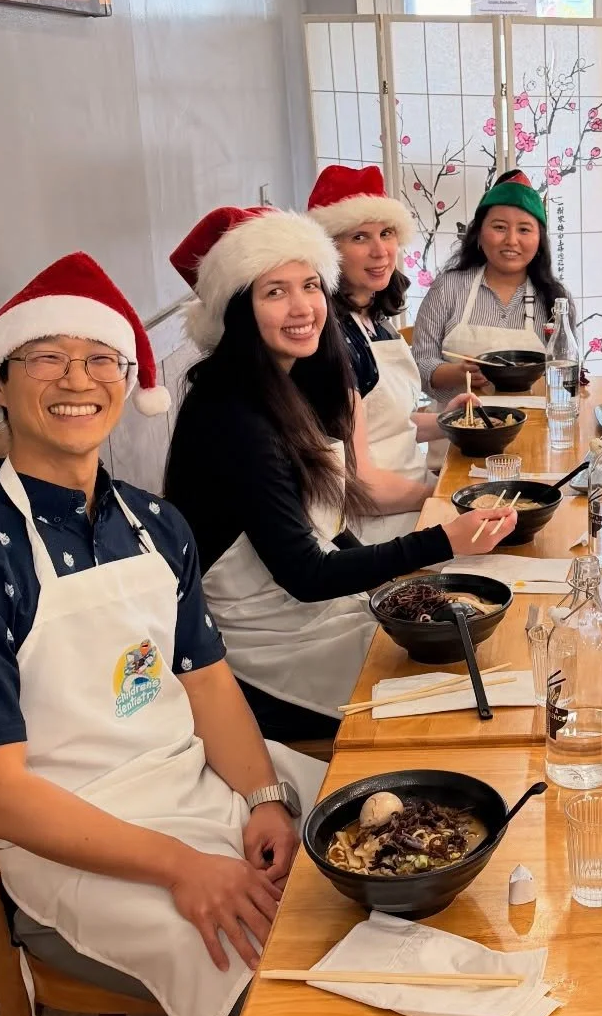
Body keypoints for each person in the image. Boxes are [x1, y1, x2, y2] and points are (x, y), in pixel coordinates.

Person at [0, 253, 327, 1016]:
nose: (76, 379)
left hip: (192, 777)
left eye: (99, 359)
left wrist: (262, 795)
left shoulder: (155, 523)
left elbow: (210, 686)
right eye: (47, 356)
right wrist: (180, 866)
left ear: (127, 381)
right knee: (287, 997)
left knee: (367, 834)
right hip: (77, 842)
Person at [164, 207, 515, 742]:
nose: (303, 306)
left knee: (485, 650)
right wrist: (439, 539)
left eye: (309, 285)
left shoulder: (295, 382)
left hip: (318, 614)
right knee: (462, 703)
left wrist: (405, 582)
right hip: (266, 648)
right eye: (274, 292)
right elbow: (305, 575)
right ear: (237, 310)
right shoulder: (228, 413)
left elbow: (327, 528)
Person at [308, 164, 441, 543]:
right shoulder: (331, 339)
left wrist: (446, 421)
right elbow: (358, 486)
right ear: (328, 250)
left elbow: (387, 422)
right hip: (376, 528)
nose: (380, 250)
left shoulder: (372, 317)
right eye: (359, 237)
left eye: (386, 233)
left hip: (409, 492)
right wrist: (440, 498)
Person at [411, 170, 569, 411]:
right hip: (457, 433)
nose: (511, 240)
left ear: (539, 242)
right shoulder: (448, 288)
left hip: (535, 429)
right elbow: (419, 363)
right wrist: (456, 373)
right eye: (499, 227)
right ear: (479, 235)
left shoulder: (553, 299)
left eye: (524, 230)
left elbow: (566, 371)